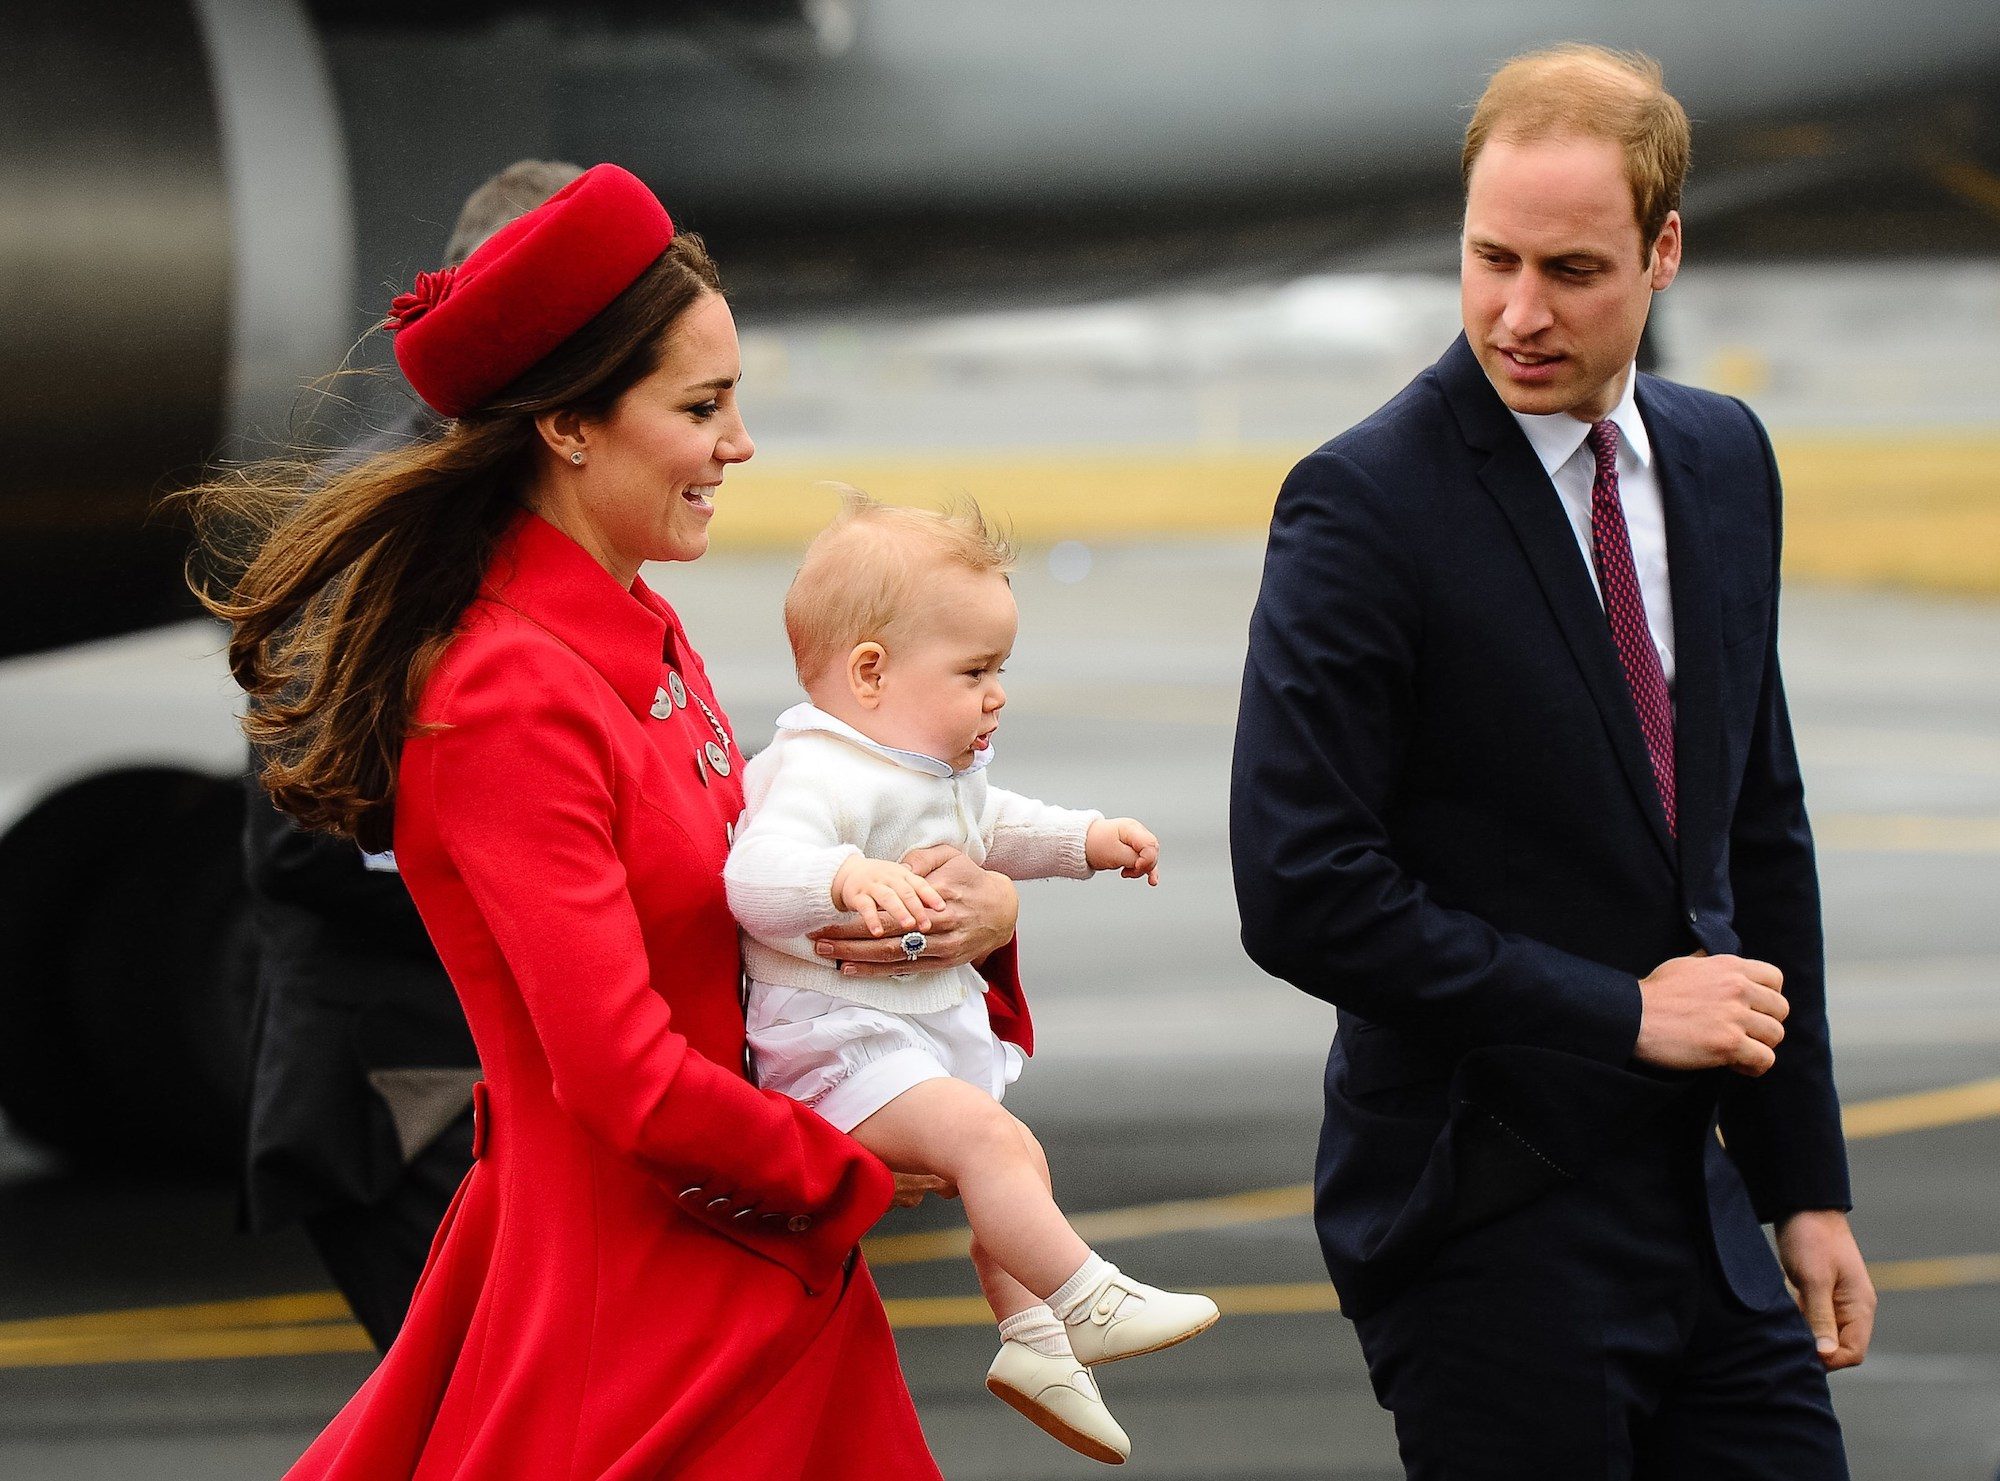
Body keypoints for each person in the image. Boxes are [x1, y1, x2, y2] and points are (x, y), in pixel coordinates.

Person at [190, 163, 1020, 1478]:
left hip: (737, 1268)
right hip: (642, 1315)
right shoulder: (507, 693)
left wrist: (972, 913)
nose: (740, 443)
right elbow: (620, 1074)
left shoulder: (643, 630)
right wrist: (841, 1169)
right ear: (570, 427)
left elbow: (756, 900)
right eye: (702, 406)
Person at [1230, 45, 1875, 1480]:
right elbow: (1301, 890)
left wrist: (1805, 1185)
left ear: (1664, 253)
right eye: (1490, 259)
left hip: (1701, 1212)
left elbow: (1757, 840)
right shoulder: (1362, 504)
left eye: (1574, 270)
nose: (1519, 313)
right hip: (1483, 1214)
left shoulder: (1723, 458)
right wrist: (1620, 1013)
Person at [724, 491, 1217, 1466]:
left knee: (1013, 1157)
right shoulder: (820, 769)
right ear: (870, 672)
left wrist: (1086, 841)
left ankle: (1035, 1344)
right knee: (992, 1142)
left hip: (895, 1034)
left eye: (1000, 669)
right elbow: (752, 877)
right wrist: (844, 874)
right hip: (835, 1046)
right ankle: (1085, 1296)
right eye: (975, 671)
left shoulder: (927, 766)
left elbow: (997, 826)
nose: (997, 693)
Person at [240, 158, 583, 1355]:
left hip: (490, 1085)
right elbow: (305, 833)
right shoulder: (384, 521)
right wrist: (564, 865)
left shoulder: (526, 503)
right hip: (411, 1095)